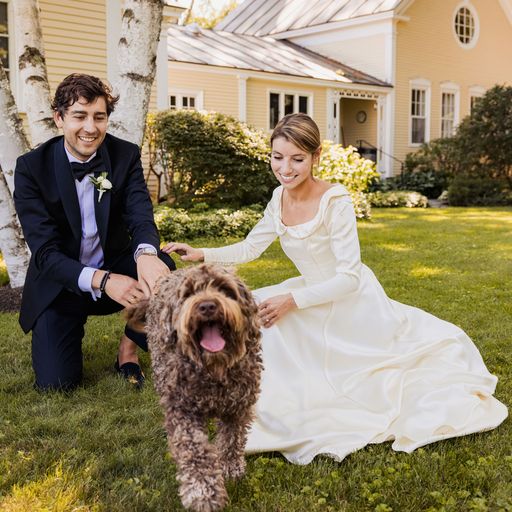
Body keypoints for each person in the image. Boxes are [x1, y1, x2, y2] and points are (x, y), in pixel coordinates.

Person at [163, 113, 507, 464]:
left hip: (349, 301)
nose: (286, 168)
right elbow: (252, 247)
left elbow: (350, 277)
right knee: (256, 309)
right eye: (277, 157)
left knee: (273, 320)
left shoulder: (335, 200)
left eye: (297, 159)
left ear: (315, 158)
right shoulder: (279, 196)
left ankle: (286, 411)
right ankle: (238, 398)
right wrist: (202, 252)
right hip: (308, 290)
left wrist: (293, 301)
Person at [14, 73, 175, 391]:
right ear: (59, 118)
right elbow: (45, 254)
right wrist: (103, 280)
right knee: (56, 385)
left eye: (99, 117)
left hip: (117, 266)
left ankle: (127, 351)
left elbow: (141, 216)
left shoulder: (124, 155)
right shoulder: (31, 168)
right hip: (62, 285)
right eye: (79, 116)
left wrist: (145, 255)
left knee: (164, 272)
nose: (90, 127)